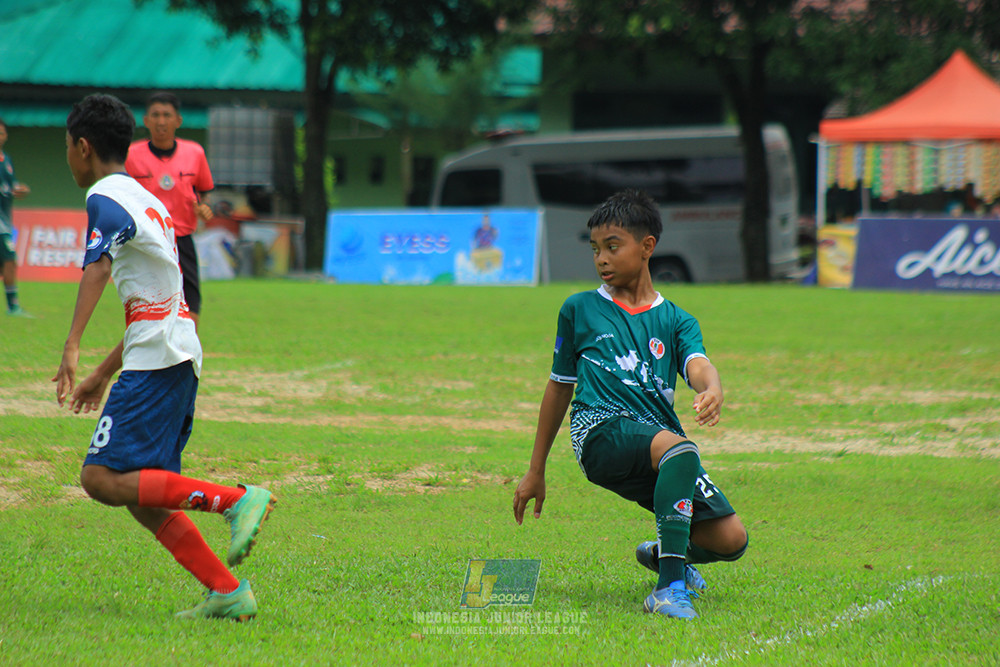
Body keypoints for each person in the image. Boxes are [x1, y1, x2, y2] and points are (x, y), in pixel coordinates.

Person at [55, 93, 275, 621]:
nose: (68, 157)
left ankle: (236, 499)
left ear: (83, 148)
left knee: (100, 478)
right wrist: (104, 374)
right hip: (169, 351)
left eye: (67, 147)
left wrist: (72, 344)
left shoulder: (106, 197)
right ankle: (228, 592)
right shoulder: (143, 197)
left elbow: (100, 268)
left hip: (160, 358)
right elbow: (155, 298)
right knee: (142, 495)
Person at [512, 189, 748, 620]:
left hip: (658, 442)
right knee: (681, 450)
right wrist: (536, 469)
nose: (601, 258)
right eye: (596, 249)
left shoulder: (676, 319)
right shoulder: (579, 309)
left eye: (612, 246)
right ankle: (668, 588)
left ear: (647, 247)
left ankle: (664, 553)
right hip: (599, 430)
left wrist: (711, 388)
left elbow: (698, 364)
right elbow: (559, 386)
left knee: (731, 539)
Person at [125, 91, 214, 329]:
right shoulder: (131, 155)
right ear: (145, 120)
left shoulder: (195, 153)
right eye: (155, 115)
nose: (161, 121)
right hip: (148, 239)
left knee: (191, 298)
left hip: (182, 238)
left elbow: (203, 191)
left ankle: (186, 347)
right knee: (150, 299)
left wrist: (204, 208)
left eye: (167, 115)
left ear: (178, 120)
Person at [0, 117, 32, 316]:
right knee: (10, 259)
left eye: (1, 133)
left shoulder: (6, 159)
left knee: (8, 261)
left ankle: (13, 307)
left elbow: (9, 187)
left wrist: (19, 189)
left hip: (5, 218)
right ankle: (13, 307)